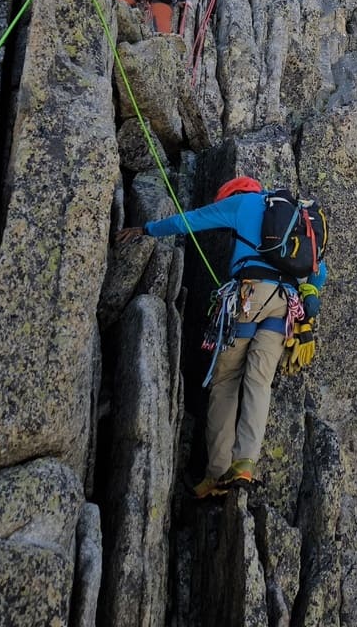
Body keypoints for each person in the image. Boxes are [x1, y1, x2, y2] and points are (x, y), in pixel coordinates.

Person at [119, 175, 326, 497]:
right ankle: (245, 463)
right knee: (259, 381)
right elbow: (318, 267)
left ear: (234, 193)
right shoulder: (296, 216)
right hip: (285, 305)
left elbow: (190, 221)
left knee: (226, 380)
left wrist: (146, 229)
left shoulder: (242, 202)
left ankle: (215, 474)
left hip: (248, 297)